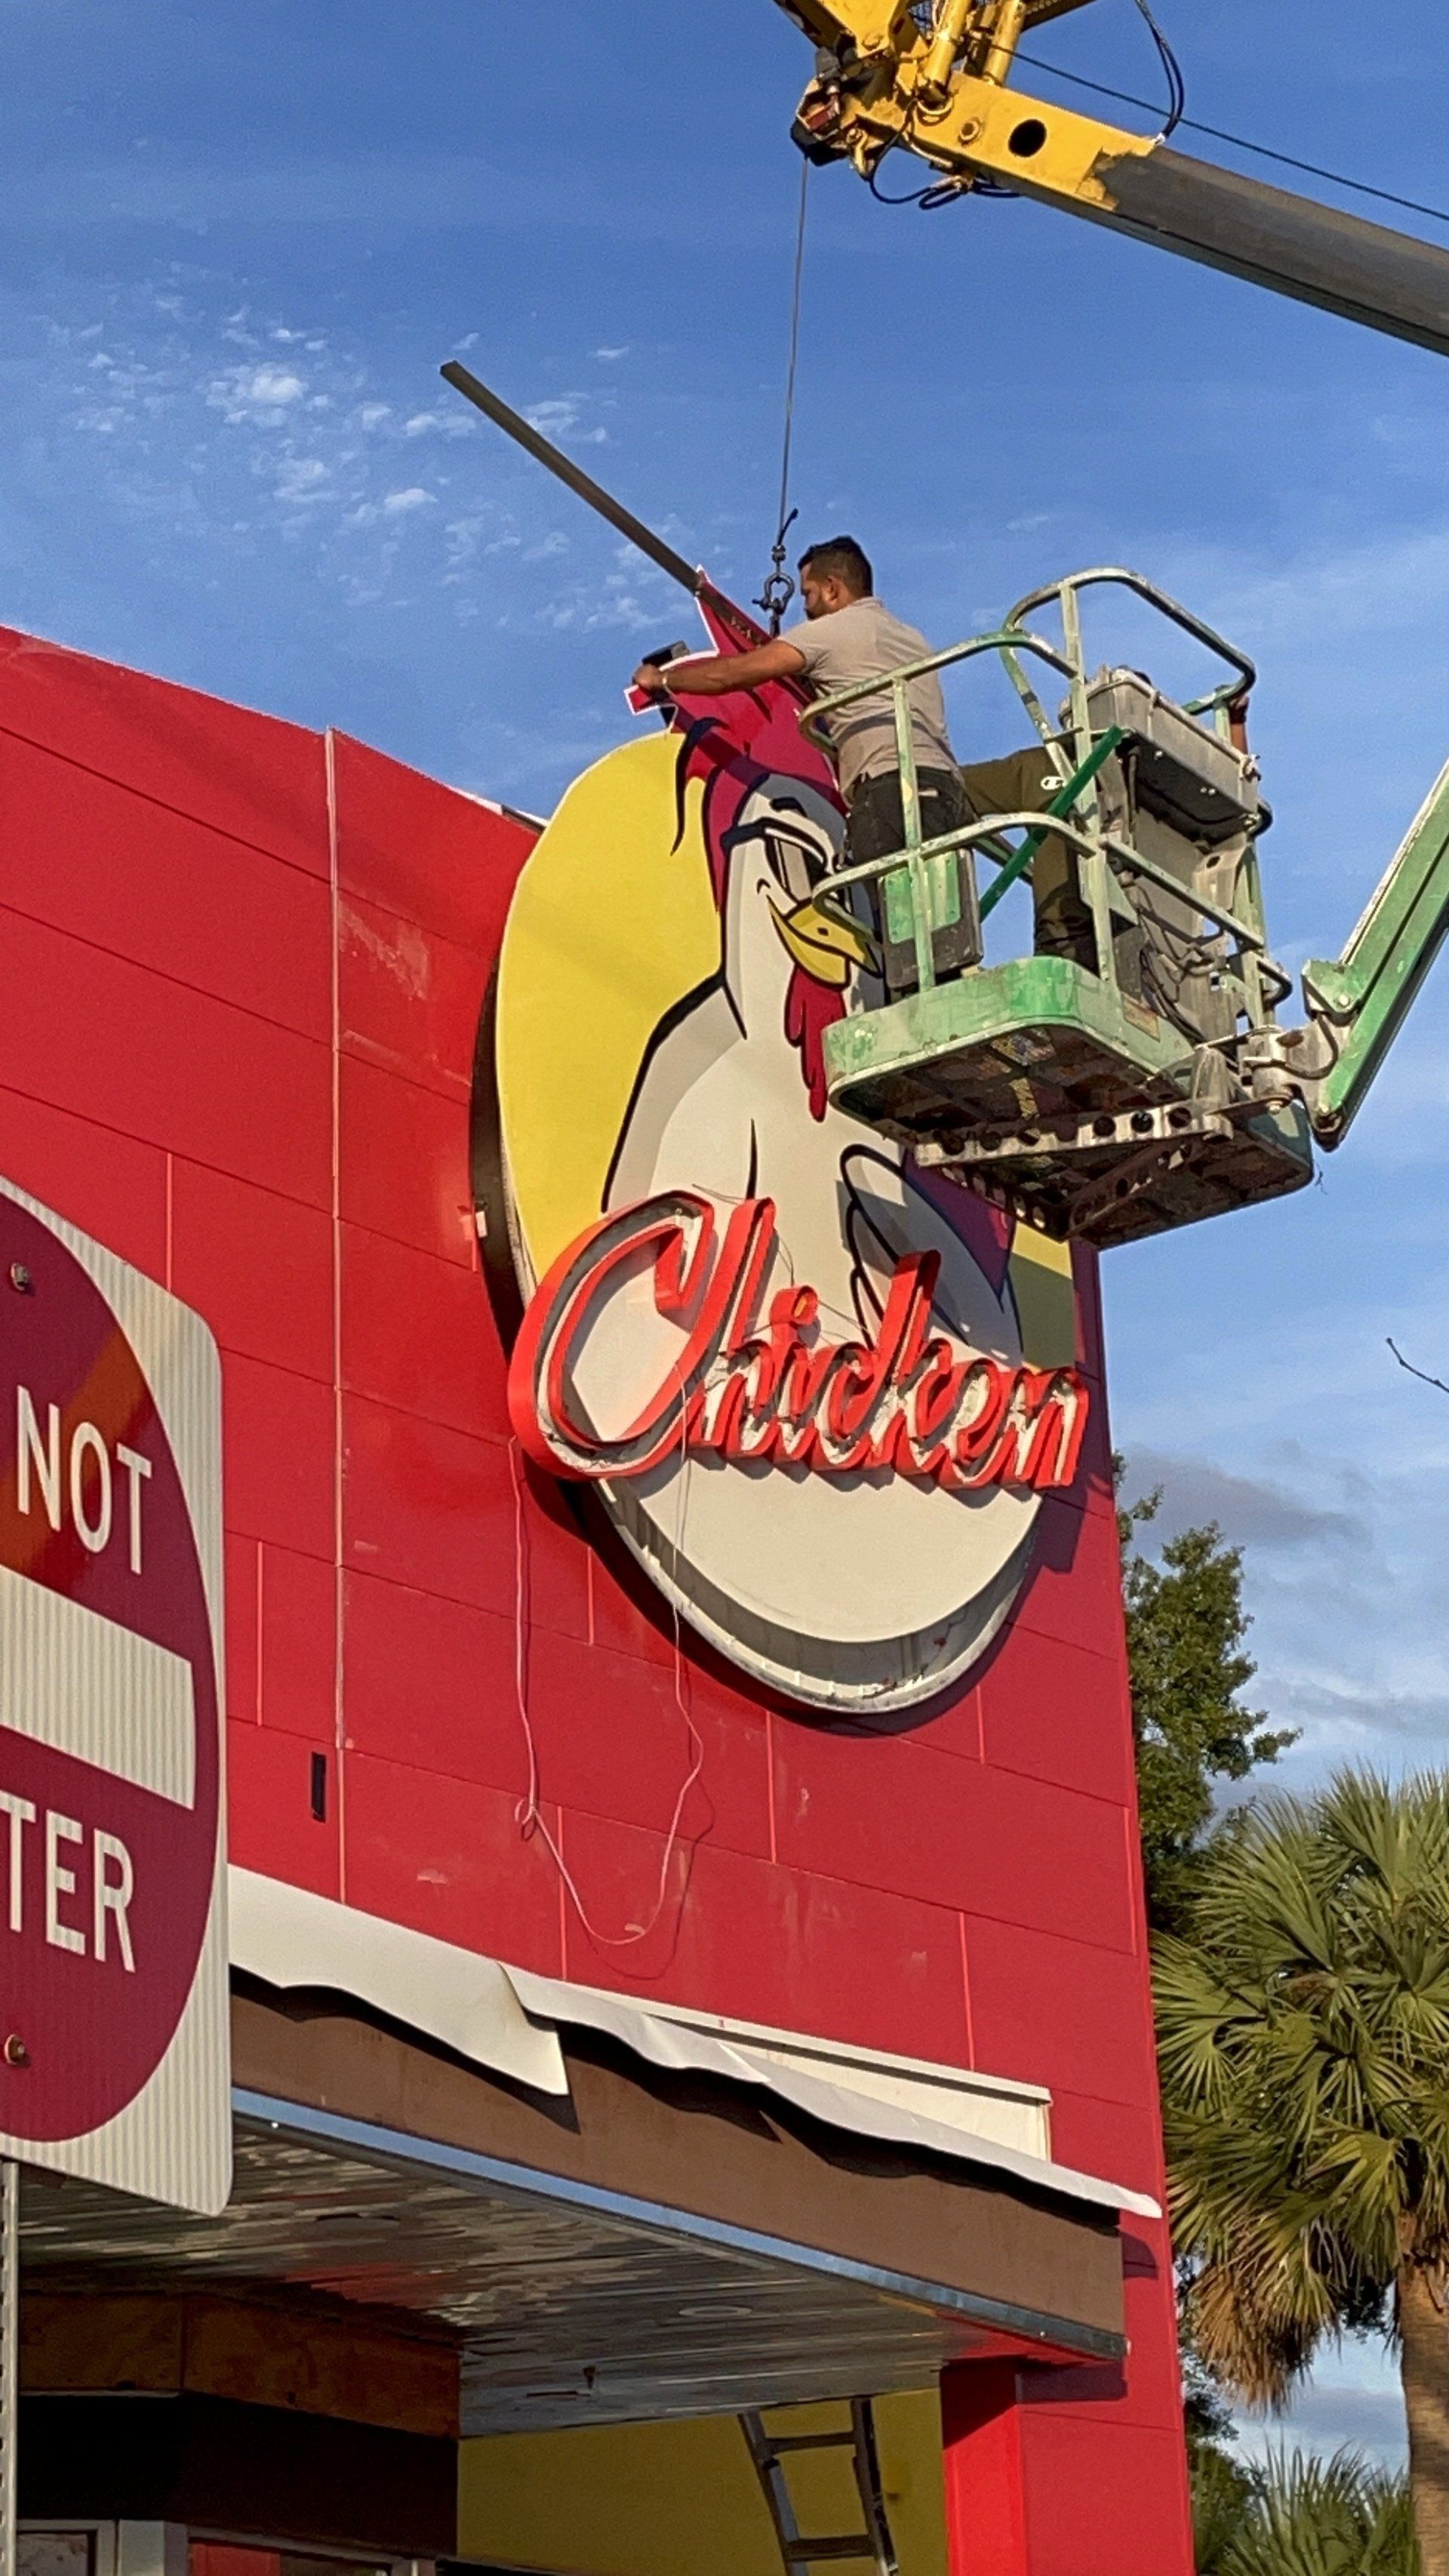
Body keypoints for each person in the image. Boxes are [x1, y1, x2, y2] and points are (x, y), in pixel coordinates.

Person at [631, 537, 1094, 984]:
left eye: (809, 594)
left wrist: (665, 680)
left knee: (901, 945)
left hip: (890, 793)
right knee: (941, 938)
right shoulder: (908, 637)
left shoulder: (832, 631)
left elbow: (736, 673)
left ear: (834, 589)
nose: (804, 608)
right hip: (946, 792)